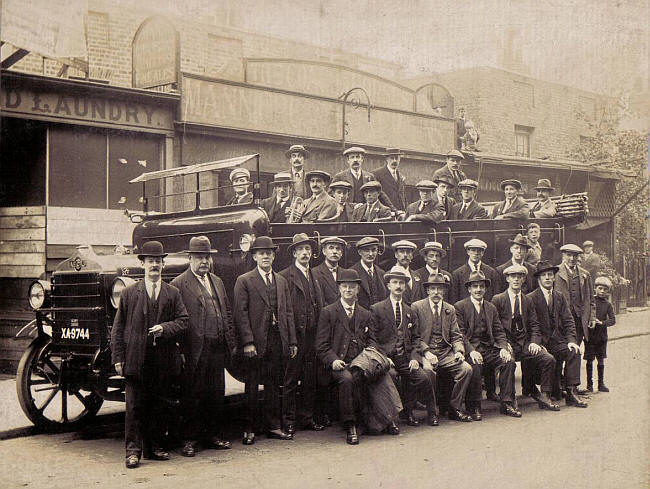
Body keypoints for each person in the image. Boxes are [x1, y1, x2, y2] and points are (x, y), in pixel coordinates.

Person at [111, 241, 189, 469]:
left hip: (162, 360)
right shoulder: (128, 294)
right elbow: (118, 328)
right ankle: (133, 452)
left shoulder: (172, 293)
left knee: (159, 405)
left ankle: (154, 448)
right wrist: (118, 357)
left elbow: (184, 321)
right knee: (134, 406)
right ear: (142, 264)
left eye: (158, 261)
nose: (154, 265)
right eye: (150, 261)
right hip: (136, 359)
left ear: (163, 264)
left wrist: (165, 328)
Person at [315, 269, 399, 444]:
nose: (348, 290)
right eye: (345, 287)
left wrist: (373, 359)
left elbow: (373, 342)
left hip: (361, 362)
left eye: (352, 287)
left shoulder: (365, 314)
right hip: (340, 363)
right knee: (347, 380)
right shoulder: (328, 312)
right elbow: (321, 346)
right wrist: (333, 360)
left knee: (386, 373)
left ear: (357, 290)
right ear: (339, 289)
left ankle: (386, 418)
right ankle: (351, 424)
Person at [171, 236, 236, 457]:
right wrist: (179, 351)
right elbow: (175, 321)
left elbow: (226, 312)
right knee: (192, 395)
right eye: (199, 257)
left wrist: (230, 341)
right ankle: (189, 440)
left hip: (218, 346)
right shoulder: (178, 284)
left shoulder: (217, 281)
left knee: (216, 393)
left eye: (207, 257)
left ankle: (213, 435)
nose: (204, 261)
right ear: (190, 258)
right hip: (194, 349)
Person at [233, 236, 297, 445]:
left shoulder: (281, 281)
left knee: (273, 384)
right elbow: (240, 314)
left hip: (277, 339)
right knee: (251, 385)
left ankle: (273, 426)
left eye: (269, 253)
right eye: (262, 253)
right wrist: (248, 342)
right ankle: (249, 428)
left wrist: (292, 342)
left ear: (274, 256)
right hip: (256, 341)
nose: (266, 256)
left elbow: (288, 312)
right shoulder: (244, 280)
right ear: (254, 257)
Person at [370, 268, 437, 427]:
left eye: (401, 283)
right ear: (388, 286)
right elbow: (372, 339)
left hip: (405, 357)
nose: (398, 286)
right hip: (386, 358)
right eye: (395, 282)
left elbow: (416, 338)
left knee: (424, 377)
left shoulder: (409, 310)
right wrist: (383, 357)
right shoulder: (377, 309)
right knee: (391, 376)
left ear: (405, 287)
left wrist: (415, 358)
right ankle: (393, 417)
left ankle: (431, 413)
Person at [492, 265, 558, 414]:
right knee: (508, 362)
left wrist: (535, 342)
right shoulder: (498, 299)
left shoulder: (527, 300)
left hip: (524, 343)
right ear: (507, 279)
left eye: (519, 277)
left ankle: (545, 395)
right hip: (507, 343)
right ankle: (508, 400)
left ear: (523, 279)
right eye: (513, 276)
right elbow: (494, 326)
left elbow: (535, 324)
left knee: (548, 359)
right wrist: (503, 344)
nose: (516, 279)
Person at [453, 271, 517, 420]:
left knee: (509, 362)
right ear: (469, 289)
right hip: (471, 348)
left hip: (488, 348)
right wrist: (470, 351)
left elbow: (499, 330)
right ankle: (473, 405)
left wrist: (502, 348)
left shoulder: (490, 307)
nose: (478, 290)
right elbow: (459, 334)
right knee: (474, 365)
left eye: (481, 286)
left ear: (485, 289)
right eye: (474, 286)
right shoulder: (460, 307)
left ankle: (506, 402)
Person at [279, 233, 326, 434]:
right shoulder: (284, 277)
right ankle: (288, 420)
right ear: (294, 253)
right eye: (300, 250)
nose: (305, 253)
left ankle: (306, 417)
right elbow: (284, 311)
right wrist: (291, 339)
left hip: (313, 335)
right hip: (296, 336)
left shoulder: (314, 275)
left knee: (310, 378)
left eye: (307, 249)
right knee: (290, 379)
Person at [413, 273, 473, 423]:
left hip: (445, 352)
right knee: (428, 372)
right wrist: (426, 352)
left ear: (444, 291)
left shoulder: (449, 309)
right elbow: (414, 336)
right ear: (427, 291)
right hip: (425, 352)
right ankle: (432, 411)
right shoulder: (417, 307)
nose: (436, 293)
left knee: (466, 369)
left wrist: (459, 351)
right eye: (432, 289)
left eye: (439, 289)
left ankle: (455, 408)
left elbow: (456, 335)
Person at [527, 261, 586, 407]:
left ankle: (571, 391)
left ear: (554, 277)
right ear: (539, 278)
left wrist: (572, 340)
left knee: (574, 351)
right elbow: (530, 326)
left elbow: (568, 321)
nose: (547, 278)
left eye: (550, 275)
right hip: (541, 342)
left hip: (557, 341)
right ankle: (545, 394)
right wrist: (538, 344)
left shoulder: (559, 297)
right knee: (548, 358)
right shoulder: (530, 298)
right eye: (544, 275)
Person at [554, 243, 596, 395]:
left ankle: (571, 386)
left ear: (578, 257)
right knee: (558, 352)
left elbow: (591, 299)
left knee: (575, 351)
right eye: (568, 255)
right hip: (560, 321)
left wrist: (591, 316)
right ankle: (557, 385)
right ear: (563, 256)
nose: (571, 259)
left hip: (579, 320)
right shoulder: (555, 273)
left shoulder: (585, 274)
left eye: (574, 256)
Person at [585, 276, 616, 393]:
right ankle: (589, 385)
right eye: (600, 288)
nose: (602, 291)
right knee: (589, 359)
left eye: (605, 289)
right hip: (590, 336)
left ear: (608, 291)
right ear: (595, 288)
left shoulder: (608, 305)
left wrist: (602, 323)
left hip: (602, 336)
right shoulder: (590, 302)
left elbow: (613, 320)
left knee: (601, 359)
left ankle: (601, 384)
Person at [450, 238, 499, 304]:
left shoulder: (491, 272)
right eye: (473, 250)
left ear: (483, 253)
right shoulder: (457, 274)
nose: (476, 253)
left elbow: (495, 297)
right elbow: (454, 298)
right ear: (468, 252)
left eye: (479, 251)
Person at [351, 237, 388, 310]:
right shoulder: (352, 272)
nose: (370, 254)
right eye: (367, 250)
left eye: (373, 250)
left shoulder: (381, 273)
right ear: (360, 252)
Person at [312, 236, 348, 306]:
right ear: (324, 251)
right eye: (331, 248)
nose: (334, 252)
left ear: (341, 253)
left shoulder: (345, 273)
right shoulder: (314, 273)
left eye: (338, 249)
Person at [372, 148, 407, 214]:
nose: (394, 161)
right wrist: (394, 210)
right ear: (387, 159)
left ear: (400, 159)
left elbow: (404, 197)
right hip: (385, 213)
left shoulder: (401, 176)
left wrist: (405, 211)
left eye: (396, 158)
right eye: (392, 158)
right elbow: (379, 195)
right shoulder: (377, 174)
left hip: (401, 213)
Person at [390, 240, 423, 305]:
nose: (405, 255)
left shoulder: (417, 275)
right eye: (402, 252)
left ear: (412, 256)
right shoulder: (389, 275)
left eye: (408, 252)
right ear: (396, 255)